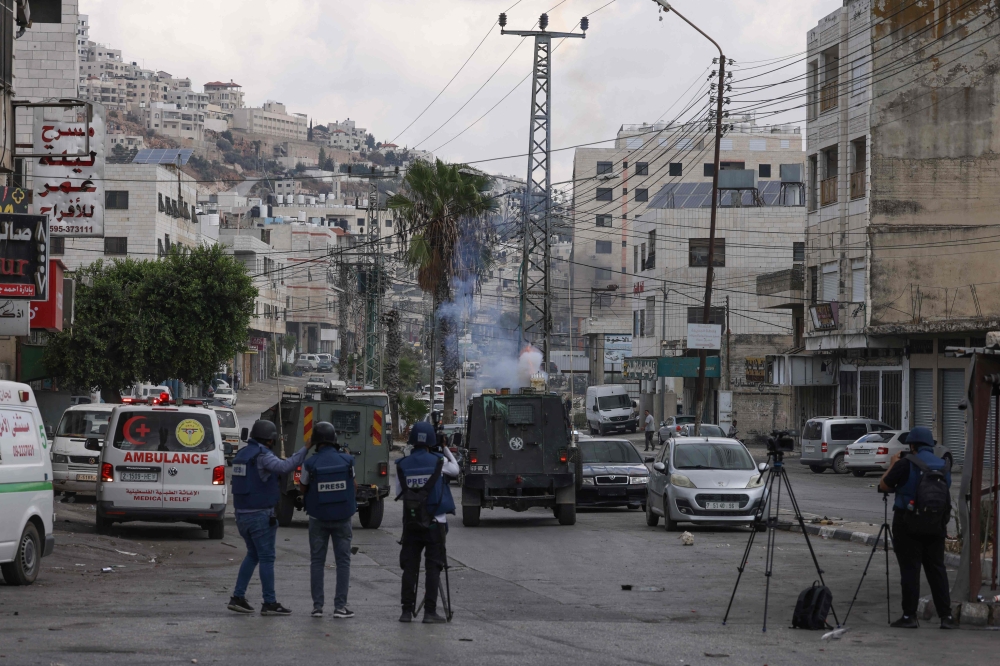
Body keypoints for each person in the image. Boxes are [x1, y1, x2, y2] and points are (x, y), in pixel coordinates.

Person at [228, 419, 312, 616]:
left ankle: (238, 597)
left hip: (242, 515)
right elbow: (285, 467)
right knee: (266, 557)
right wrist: (305, 448)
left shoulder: (242, 454)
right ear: (270, 439)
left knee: (253, 555)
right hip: (259, 515)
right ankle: (269, 602)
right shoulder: (263, 456)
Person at [878, 426, 956, 629]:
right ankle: (946, 617)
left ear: (912, 445)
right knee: (937, 570)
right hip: (936, 524)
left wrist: (892, 464)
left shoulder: (905, 463)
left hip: (908, 523)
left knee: (910, 570)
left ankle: (909, 617)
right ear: (930, 445)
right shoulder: (943, 465)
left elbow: (884, 486)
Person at [396, 421, 459, 624]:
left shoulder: (402, 465)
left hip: (411, 523)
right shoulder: (439, 461)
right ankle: (429, 612)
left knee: (410, 568)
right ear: (432, 441)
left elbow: (400, 493)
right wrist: (445, 447)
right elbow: (456, 470)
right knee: (433, 568)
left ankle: (406, 611)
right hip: (435, 523)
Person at [299, 421, 356, 619]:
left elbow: (303, 487)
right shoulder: (347, 460)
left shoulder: (310, 463)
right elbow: (353, 486)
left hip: (317, 517)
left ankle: (317, 607)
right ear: (334, 440)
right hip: (342, 517)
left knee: (317, 561)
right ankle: (340, 607)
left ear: (315, 442)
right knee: (343, 562)